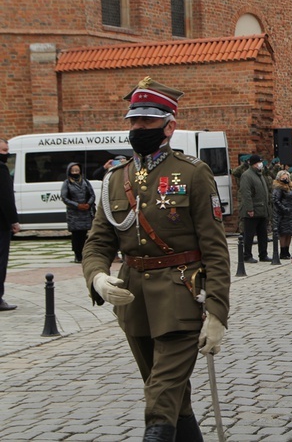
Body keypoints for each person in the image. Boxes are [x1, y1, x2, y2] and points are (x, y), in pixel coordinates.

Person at [81, 76, 230, 441]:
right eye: (133, 120)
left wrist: (217, 311)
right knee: (172, 397)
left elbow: (215, 247)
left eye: (147, 121)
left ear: (169, 126)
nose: (138, 127)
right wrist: (98, 277)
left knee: (159, 398)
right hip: (134, 304)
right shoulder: (116, 178)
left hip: (181, 298)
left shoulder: (193, 173)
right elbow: (98, 242)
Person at [60, 162, 96, 263]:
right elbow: (64, 197)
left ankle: (85, 253)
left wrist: (88, 204)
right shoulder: (67, 183)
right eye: (73, 170)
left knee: (84, 234)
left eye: (77, 170)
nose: (75, 172)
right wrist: (77, 205)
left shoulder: (85, 182)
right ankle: (77, 254)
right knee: (76, 235)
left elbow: (92, 195)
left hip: (85, 212)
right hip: (74, 213)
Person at [239, 154, 271, 263]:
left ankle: (263, 254)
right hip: (253, 210)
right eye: (258, 162)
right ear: (253, 164)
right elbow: (246, 194)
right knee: (249, 234)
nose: (260, 164)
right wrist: (249, 209)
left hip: (262, 210)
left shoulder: (259, 174)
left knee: (263, 234)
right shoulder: (247, 175)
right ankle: (247, 255)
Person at [0, 138, 20, 311]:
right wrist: (14, 220)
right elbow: (6, 198)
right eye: (4, 151)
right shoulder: (2, 169)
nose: (7, 154)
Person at [271, 169, 292, 260]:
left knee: (289, 233)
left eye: (286, 176)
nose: (285, 178)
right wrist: (284, 208)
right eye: (283, 176)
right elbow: (276, 200)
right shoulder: (279, 188)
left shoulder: (290, 186)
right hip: (283, 213)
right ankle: (283, 252)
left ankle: (287, 251)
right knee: (283, 233)